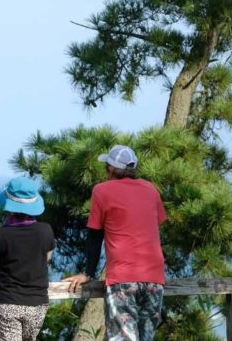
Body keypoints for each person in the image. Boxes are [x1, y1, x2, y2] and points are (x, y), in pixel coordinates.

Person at [63, 145, 167, 341]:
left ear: (111, 169)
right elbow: (154, 223)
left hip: (123, 277)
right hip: (154, 277)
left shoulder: (102, 191)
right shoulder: (151, 189)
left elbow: (95, 234)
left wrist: (88, 273)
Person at [0, 176, 55, 341]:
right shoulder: (46, 231)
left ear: (9, 206)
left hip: (8, 300)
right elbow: (46, 260)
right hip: (37, 303)